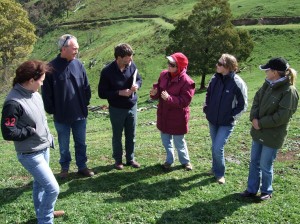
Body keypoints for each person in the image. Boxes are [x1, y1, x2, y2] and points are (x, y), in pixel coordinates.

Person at [1, 60, 65, 223]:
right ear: (31, 80)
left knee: (40, 185)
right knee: (52, 189)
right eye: (41, 81)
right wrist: (28, 131)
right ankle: (45, 219)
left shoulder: (34, 93)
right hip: (30, 154)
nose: (42, 84)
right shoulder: (13, 103)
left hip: (43, 149)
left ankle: (42, 212)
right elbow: (8, 132)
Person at [240, 57, 299, 200]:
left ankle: (266, 191)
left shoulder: (289, 91)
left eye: (267, 70)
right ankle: (251, 189)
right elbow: (256, 101)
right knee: (254, 161)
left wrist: (261, 123)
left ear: (274, 72)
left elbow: (282, 117)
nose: (265, 72)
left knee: (266, 164)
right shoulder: (267, 84)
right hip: (258, 131)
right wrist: (254, 118)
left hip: (272, 135)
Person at [42, 34, 94, 178]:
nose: (76, 51)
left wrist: (85, 104)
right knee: (64, 145)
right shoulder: (51, 68)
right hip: (61, 116)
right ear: (63, 49)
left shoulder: (79, 65)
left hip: (80, 114)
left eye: (77, 48)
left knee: (81, 143)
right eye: (74, 48)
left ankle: (82, 167)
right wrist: (52, 110)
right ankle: (64, 168)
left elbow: (86, 87)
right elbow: (46, 93)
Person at [203, 53, 248, 184]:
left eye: (220, 64)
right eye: (218, 63)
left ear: (228, 67)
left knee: (218, 147)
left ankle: (220, 173)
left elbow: (243, 104)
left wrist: (231, 116)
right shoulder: (214, 78)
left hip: (226, 122)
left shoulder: (237, 82)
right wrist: (207, 108)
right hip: (213, 119)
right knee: (214, 146)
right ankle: (214, 168)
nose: (217, 65)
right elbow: (208, 95)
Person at [98, 43, 142, 170]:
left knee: (131, 134)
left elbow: (139, 79)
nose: (131, 60)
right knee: (117, 135)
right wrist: (119, 92)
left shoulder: (132, 65)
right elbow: (102, 93)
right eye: (128, 58)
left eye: (131, 57)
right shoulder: (107, 72)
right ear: (119, 57)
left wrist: (137, 86)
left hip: (131, 106)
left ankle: (131, 158)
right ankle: (118, 160)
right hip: (116, 109)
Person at [150, 52, 195, 171]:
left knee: (179, 142)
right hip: (164, 115)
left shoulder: (188, 82)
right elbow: (158, 91)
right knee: (166, 141)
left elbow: (185, 101)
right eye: (168, 63)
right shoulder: (164, 75)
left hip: (177, 118)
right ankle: (169, 160)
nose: (169, 66)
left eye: (172, 64)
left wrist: (169, 98)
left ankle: (185, 161)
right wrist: (154, 94)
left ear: (179, 67)